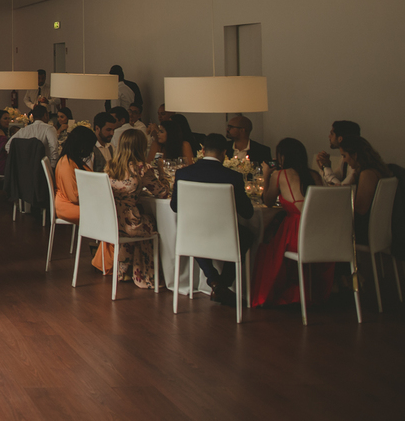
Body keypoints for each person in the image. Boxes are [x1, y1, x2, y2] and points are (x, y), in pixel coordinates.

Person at [170, 133, 254, 306]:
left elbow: (175, 207)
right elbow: (247, 213)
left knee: (194, 237)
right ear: (224, 152)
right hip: (225, 235)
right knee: (246, 235)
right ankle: (223, 284)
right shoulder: (233, 177)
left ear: (202, 150)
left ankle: (215, 281)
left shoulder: (183, 173)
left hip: (193, 233)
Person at [251, 138, 327, 307]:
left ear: (283, 157)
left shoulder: (280, 175)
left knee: (265, 245)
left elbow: (268, 201)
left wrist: (266, 175)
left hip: (296, 232)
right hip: (319, 232)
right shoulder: (314, 175)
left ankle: (279, 291)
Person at [90, 129, 168, 289]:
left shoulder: (111, 166)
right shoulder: (142, 169)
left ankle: (125, 270)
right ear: (141, 147)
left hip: (108, 223)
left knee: (142, 217)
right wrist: (161, 173)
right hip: (128, 225)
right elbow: (162, 193)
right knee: (150, 223)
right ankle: (145, 276)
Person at [342, 136, 390, 245]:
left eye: (344, 156)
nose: (344, 160)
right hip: (379, 229)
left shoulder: (367, 174)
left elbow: (360, 209)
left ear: (355, 155)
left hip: (363, 232)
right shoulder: (376, 170)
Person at [54, 126, 96, 224]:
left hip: (75, 203)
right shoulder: (66, 163)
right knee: (106, 213)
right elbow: (73, 197)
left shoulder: (74, 160)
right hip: (67, 206)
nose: (91, 150)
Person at [316, 120, 361, 186]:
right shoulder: (343, 158)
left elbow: (340, 188)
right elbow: (333, 179)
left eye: (332, 134)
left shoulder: (355, 162)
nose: (329, 136)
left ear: (340, 139)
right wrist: (323, 167)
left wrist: (327, 167)